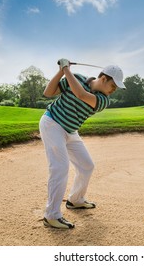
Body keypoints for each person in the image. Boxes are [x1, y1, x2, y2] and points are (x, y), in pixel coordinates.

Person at [39, 58, 125, 229]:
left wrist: (66, 70)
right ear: (103, 79)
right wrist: (61, 71)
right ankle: (51, 215)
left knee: (86, 165)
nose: (114, 90)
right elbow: (48, 93)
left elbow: (81, 95)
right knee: (60, 168)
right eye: (113, 86)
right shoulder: (76, 77)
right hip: (52, 123)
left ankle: (75, 200)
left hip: (70, 131)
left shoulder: (103, 100)